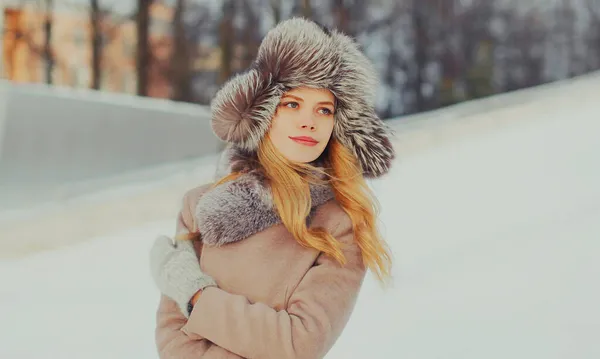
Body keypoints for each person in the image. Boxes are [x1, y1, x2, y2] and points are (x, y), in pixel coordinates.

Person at [149, 17, 396, 359]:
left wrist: (196, 297)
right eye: (293, 104)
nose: (309, 121)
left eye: (324, 110)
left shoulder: (341, 225)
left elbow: (298, 344)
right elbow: (173, 337)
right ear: (264, 111)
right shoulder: (198, 206)